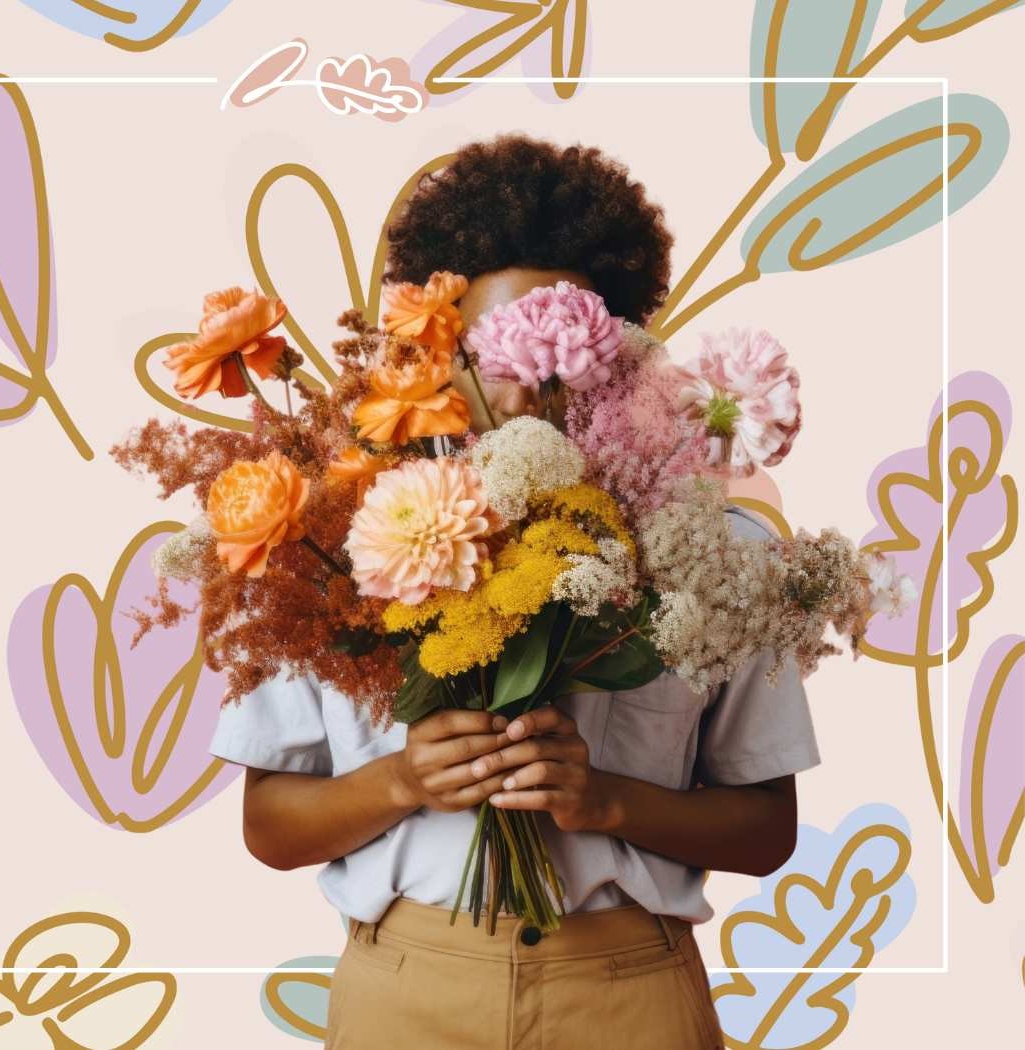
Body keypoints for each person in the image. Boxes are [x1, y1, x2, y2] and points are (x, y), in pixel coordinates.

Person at [207, 134, 820, 1050]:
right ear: (442, 351)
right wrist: (405, 778)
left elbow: (769, 831)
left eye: (561, 355)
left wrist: (606, 801)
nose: (528, 392)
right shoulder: (338, 545)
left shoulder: (713, 552)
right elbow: (269, 826)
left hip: (629, 993)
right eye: (495, 350)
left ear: (617, 353)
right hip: (405, 994)